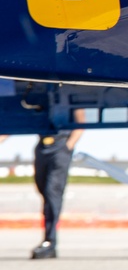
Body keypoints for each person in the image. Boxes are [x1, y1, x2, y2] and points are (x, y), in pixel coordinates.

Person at [29, 111, 86, 259]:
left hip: (60, 146)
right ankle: (49, 242)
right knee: (42, 190)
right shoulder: (39, 95)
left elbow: (81, 122)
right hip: (43, 146)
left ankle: (50, 241)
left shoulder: (68, 92)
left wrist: (69, 145)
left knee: (52, 193)